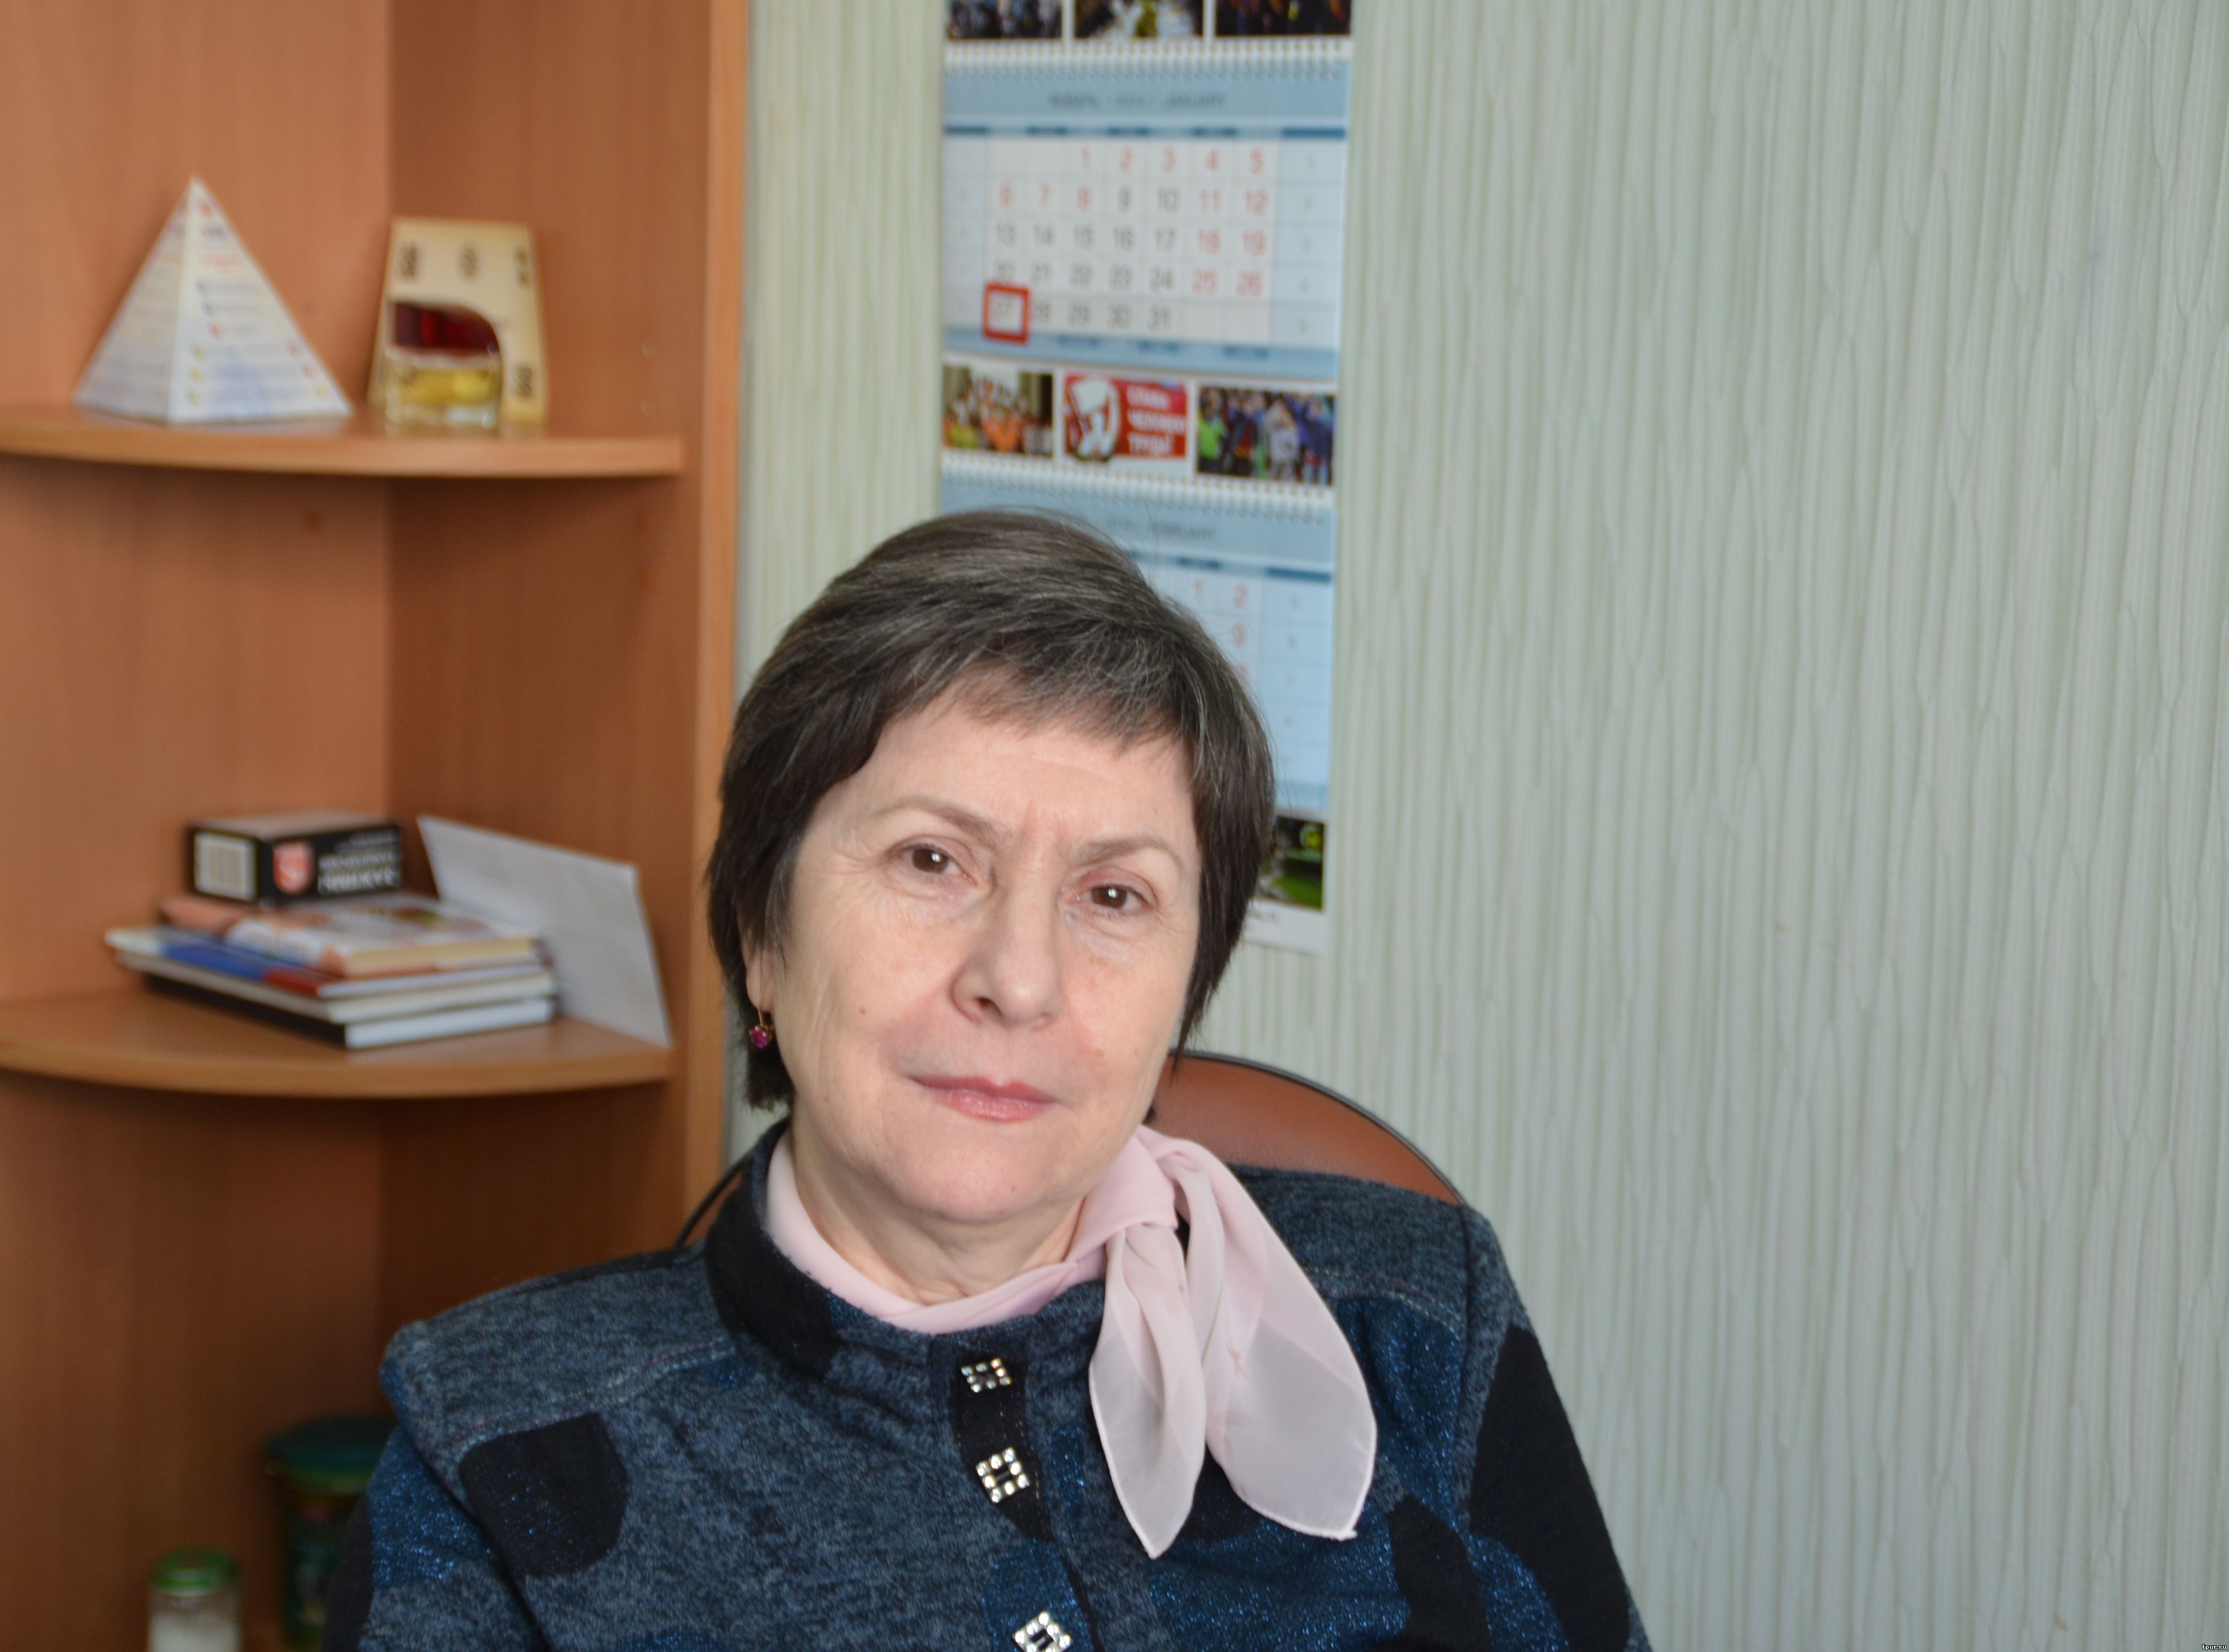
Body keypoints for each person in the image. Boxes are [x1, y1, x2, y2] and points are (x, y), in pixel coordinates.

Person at [325, 513, 1649, 1650]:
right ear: (764, 935)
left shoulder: (1418, 1314)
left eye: (1115, 895)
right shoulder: (497, 1440)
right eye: (931, 861)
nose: (1019, 980)